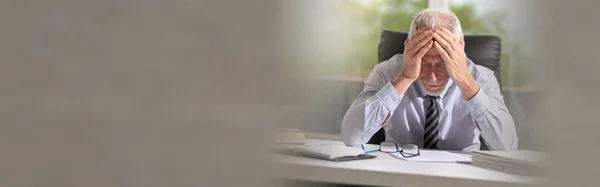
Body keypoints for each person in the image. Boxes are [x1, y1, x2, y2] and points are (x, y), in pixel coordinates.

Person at [341, 8, 518, 152]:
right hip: (399, 172)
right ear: (408, 47)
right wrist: (404, 78)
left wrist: (465, 81)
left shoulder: (482, 78)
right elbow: (351, 136)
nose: (432, 77)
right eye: (424, 63)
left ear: (460, 48)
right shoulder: (387, 72)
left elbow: (508, 147)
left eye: (442, 63)